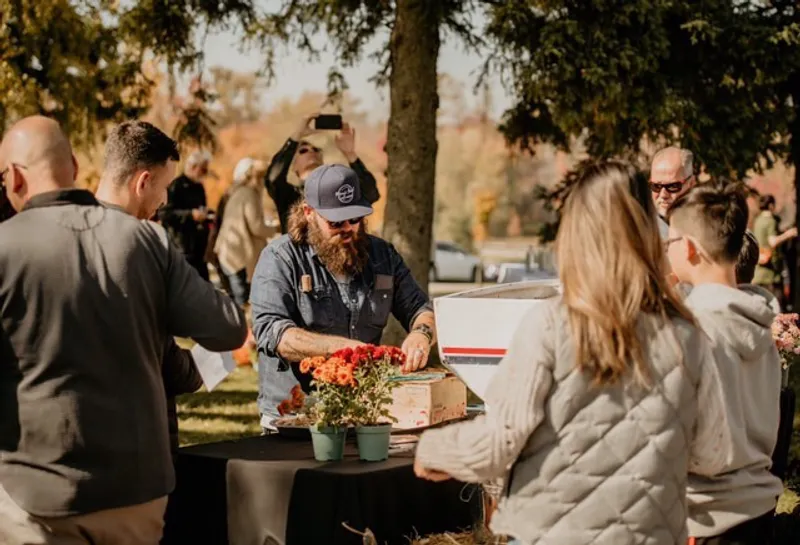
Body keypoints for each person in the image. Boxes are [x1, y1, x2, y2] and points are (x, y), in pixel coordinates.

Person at [413, 162, 730, 545]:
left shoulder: (549, 325)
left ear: (577, 233)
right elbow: (713, 454)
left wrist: (432, 449)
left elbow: (499, 442)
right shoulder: (689, 334)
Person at [0, 116, 247, 545]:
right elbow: (227, 328)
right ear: (75, 166)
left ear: (16, 177)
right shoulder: (148, 242)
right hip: (135, 490)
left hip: (34, 492)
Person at [251, 164, 435, 430]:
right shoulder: (280, 258)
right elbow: (274, 333)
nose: (348, 228)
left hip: (363, 410)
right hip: (295, 417)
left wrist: (422, 335)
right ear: (309, 214)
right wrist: (344, 350)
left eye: (355, 218)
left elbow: (421, 308)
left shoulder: (383, 255)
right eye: (336, 222)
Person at [666, 184, 783, 545]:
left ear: (688, 248)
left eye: (670, 241)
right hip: (760, 511)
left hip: (707, 520)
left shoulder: (693, 332)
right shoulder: (760, 324)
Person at [94, 120, 204, 456]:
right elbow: (164, 357)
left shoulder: (59, 236)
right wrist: (201, 367)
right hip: (137, 443)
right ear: (143, 182)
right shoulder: (143, 249)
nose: (166, 197)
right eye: (165, 185)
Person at [264, 113, 380, 233]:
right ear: (293, 166)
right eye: (303, 150)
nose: (311, 153)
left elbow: (371, 193)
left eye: (316, 150)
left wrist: (350, 154)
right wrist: (296, 136)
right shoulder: (288, 194)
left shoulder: (336, 191)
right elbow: (273, 178)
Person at [213, 157, 276, 307]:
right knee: (244, 303)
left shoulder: (237, 192)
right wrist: (275, 229)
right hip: (237, 257)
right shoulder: (249, 194)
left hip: (229, 254)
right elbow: (256, 226)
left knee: (237, 301)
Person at [158, 150, 214, 280]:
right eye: (203, 170)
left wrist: (209, 214)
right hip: (182, 247)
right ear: (193, 167)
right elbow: (164, 214)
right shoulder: (175, 186)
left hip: (200, 246)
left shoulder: (199, 187)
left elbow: (202, 208)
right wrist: (190, 215)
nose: (205, 174)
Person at [752, 194, 798, 305]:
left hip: (758, 272)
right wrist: (789, 234)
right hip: (771, 272)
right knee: (776, 305)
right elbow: (772, 241)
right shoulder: (770, 221)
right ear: (771, 205)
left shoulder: (758, 221)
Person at [650, 146, 697, 239]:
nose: (663, 195)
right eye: (656, 186)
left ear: (691, 183)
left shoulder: (707, 226)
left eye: (672, 186)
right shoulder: (641, 229)